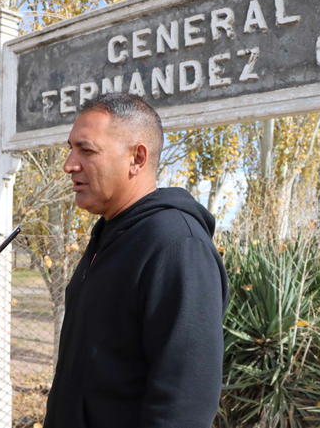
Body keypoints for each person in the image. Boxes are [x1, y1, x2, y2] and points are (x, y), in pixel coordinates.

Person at [44, 93, 229, 428]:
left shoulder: (176, 244)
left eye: (86, 150)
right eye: (70, 149)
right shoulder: (110, 234)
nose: (69, 164)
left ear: (137, 159)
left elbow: (184, 405)